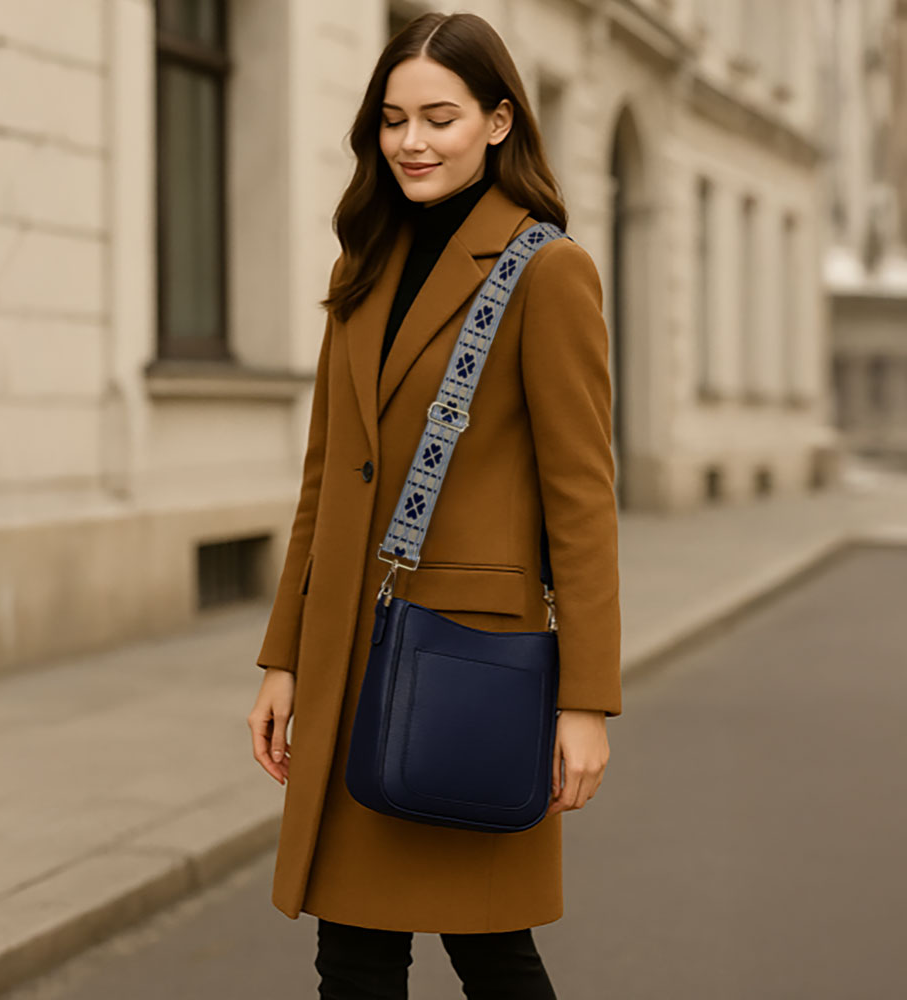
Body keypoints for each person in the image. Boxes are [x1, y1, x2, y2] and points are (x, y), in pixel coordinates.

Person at [247, 11, 622, 999]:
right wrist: (284, 653)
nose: (412, 141)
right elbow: (324, 476)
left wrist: (583, 700)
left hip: (465, 662)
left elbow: (581, 501)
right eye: (392, 118)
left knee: (490, 950)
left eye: (440, 118)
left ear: (498, 123)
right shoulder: (359, 265)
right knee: (353, 954)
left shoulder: (547, 270)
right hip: (348, 657)